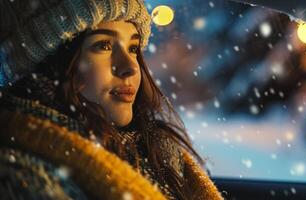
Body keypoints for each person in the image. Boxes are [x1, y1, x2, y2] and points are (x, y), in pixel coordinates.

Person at [0, 0, 223, 199]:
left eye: (133, 48)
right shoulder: (22, 176)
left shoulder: (158, 153)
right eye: (103, 46)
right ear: (53, 61)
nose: (130, 67)